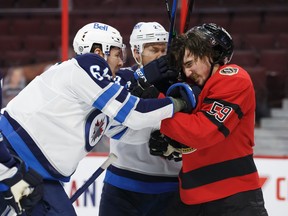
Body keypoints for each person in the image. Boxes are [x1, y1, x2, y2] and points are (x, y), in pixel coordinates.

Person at [0, 22, 193, 216]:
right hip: (12, 158)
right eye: (117, 54)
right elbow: (134, 114)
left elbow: (124, 130)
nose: (120, 62)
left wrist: (162, 136)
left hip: (40, 174)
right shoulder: (87, 64)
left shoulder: (94, 91)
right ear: (99, 51)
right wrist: (178, 103)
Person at [149, 23, 268, 216]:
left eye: (190, 64)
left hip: (235, 199)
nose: (187, 72)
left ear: (211, 55)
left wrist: (154, 108)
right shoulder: (191, 88)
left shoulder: (234, 79)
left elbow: (202, 132)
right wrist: (171, 144)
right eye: (183, 67)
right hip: (190, 199)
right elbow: (188, 139)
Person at [98, 22, 184, 216]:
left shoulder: (181, 84)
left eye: (164, 50)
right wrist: (144, 78)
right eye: (154, 49)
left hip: (169, 188)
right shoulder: (120, 78)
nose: (161, 56)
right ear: (137, 52)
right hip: (121, 187)